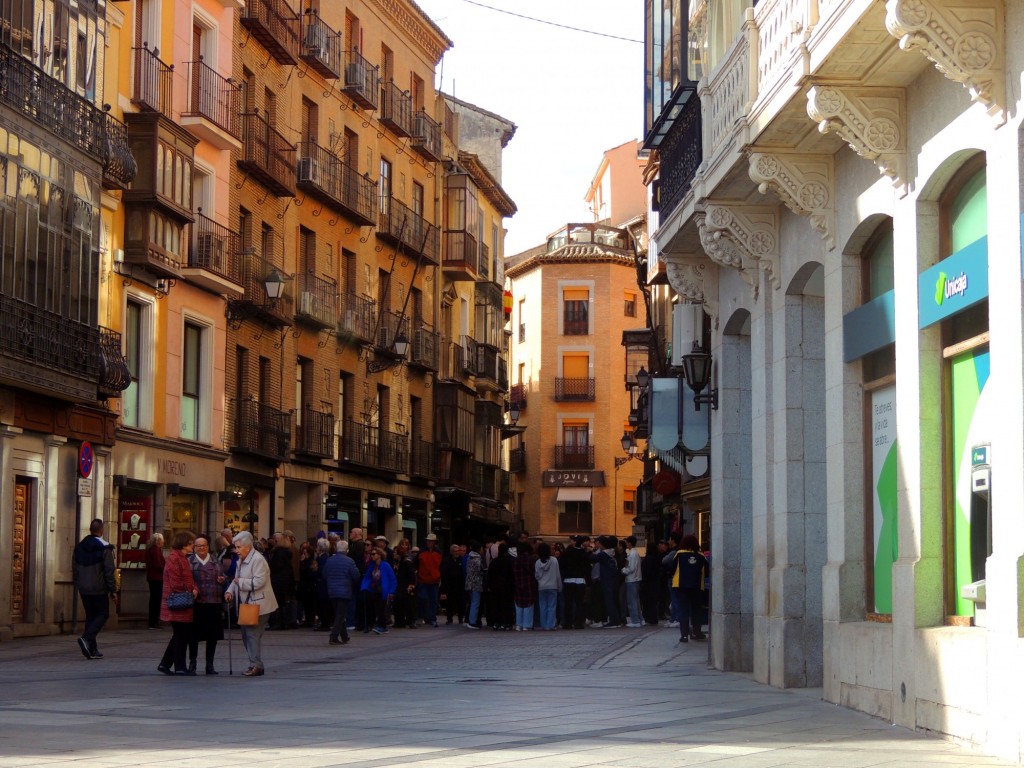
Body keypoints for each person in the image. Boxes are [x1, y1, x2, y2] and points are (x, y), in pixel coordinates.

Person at [225, 530, 279, 676]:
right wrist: (229, 591)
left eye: (238, 547)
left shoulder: (258, 560)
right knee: (246, 635)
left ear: (247, 547)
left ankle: (256, 665)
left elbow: (259, 581)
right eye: (235, 547)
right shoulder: (240, 560)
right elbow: (235, 580)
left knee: (252, 635)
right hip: (247, 604)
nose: (236, 550)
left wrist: (240, 582)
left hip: (259, 604)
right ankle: (254, 663)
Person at [72, 519, 117, 659]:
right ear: (101, 530)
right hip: (99, 588)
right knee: (103, 614)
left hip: (84, 588)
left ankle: (92, 649)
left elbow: (74, 567)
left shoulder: (79, 547)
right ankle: (87, 638)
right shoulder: (105, 548)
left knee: (91, 616)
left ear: (91, 530)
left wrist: (78, 583)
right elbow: (109, 571)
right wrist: (113, 591)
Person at [157, 531, 198, 675]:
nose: (193, 545)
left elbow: (188, 578)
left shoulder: (182, 558)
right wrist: (191, 589)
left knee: (180, 634)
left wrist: (194, 587)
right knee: (181, 635)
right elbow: (176, 582)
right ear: (184, 543)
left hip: (183, 602)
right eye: (191, 543)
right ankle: (179, 667)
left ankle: (165, 664)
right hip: (178, 602)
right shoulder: (174, 558)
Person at [187, 536, 225, 674]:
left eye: (204, 545)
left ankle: (210, 664)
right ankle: (193, 663)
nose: (201, 548)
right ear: (194, 547)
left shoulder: (215, 561)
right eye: (198, 546)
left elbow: (223, 576)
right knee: (194, 636)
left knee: (212, 636)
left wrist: (222, 580)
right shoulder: (190, 561)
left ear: (208, 546)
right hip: (198, 603)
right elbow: (186, 580)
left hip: (214, 601)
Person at [662, 533, 708, 643]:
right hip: (697, 587)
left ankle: (684, 635)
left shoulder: (679, 554)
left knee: (684, 610)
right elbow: (707, 571)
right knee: (696, 610)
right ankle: (697, 632)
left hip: (680, 586)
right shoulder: (701, 556)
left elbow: (672, 568)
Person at [322, 540, 361, 645]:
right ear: (346, 550)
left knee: (339, 613)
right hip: (344, 591)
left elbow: (324, 575)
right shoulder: (350, 561)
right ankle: (333, 636)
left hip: (332, 591)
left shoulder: (329, 560)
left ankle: (344, 636)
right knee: (340, 614)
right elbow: (356, 576)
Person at [360, 547, 396, 634]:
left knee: (382, 609)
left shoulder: (385, 565)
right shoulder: (372, 565)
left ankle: (383, 626)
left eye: (373, 554)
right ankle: (380, 625)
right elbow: (368, 577)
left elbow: (393, 579)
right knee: (377, 609)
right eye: (371, 554)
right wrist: (365, 586)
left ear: (379, 555)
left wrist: (392, 591)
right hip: (375, 589)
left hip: (384, 590)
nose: (371, 556)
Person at [560, 536, 589, 630]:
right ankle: (578, 623)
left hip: (568, 579)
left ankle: (567, 623)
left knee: (568, 602)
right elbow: (587, 565)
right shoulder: (584, 553)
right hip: (580, 580)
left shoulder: (567, 552)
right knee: (579, 602)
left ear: (574, 542)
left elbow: (562, 564)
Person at [591, 536, 621, 628]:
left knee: (609, 601)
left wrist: (589, 551)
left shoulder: (603, 554)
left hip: (607, 580)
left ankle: (613, 621)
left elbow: (593, 559)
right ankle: (617, 620)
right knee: (613, 600)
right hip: (614, 579)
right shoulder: (613, 552)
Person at [267, 532, 295, 630]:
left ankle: (278, 622)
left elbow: (276, 566)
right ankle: (283, 622)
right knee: (282, 602)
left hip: (278, 581)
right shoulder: (287, 553)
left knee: (277, 602)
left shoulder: (279, 553)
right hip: (285, 580)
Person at [486, 541, 515, 630]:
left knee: (496, 605)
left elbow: (489, 575)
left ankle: (496, 622)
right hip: (506, 588)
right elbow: (512, 575)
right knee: (506, 605)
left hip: (495, 587)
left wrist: (489, 586)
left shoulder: (494, 562)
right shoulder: (509, 561)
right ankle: (505, 622)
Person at [416, 533, 442, 627]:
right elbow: (416, 565)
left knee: (433, 600)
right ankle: (422, 616)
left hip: (434, 580)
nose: (429, 542)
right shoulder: (421, 552)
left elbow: (440, 566)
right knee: (422, 598)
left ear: (434, 542)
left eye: (431, 541)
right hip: (423, 580)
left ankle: (432, 618)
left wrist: (439, 577)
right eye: (428, 541)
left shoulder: (438, 552)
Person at [534, 542, 561, 630]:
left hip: (542, 587)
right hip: (553, 586)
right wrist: (559, 586)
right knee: (552, 606)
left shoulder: (538, 562)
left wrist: (540, 581)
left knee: (543, 606)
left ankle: (544, 624)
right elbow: (557, 574)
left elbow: (537, 575)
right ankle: (550, 624)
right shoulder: (554, 560)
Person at [393, 539, 417, 629]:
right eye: (402, 544)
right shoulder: (398, 560)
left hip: (406, 583)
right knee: (398, 603)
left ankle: (411, 621)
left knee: (409, 603)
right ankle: (399, 621)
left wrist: (411, 585)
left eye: (406, 545)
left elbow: (412, 574)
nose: (404, 546)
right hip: (399, 583)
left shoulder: (408, 559)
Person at [512, 540, 537, 630]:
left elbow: (513, 572)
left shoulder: (515, 560)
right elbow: (534, 572)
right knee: (528, 605)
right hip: (528, 584)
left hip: (518, 584)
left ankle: (518, 624)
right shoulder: (530, 559)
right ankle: (526, 625)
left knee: (518, 604)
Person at [441, 544, 465, 624]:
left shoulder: (461, 560)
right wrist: (444, 588)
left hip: (460, 585)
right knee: (449, 603)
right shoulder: (447, 561)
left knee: (460, 602)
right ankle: (449, 618)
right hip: (450, 585)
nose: (457, 553)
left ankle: (460, 618)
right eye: (455, 551)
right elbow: (444, 574)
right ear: (451, 552)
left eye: (458, 551)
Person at [145, 533, 165, 629]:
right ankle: (154, 622)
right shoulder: (155, 550)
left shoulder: (151, 549)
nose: (163, 542)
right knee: (156, 600)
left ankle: (153, 621)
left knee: (154, 599)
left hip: (153, 577)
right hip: (156, 577)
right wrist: (165, 569)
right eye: (162, 540)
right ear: (158, 541)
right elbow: (158, 564)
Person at [622, 536, 643, 628]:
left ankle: (635, 620)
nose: (626, 544)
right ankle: (640, 619)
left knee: (632, 601)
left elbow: (631, 568)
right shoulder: (634, 553)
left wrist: (623, 570)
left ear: (630, 543)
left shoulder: (632, 554)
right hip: (635, 579)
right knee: (636, 600)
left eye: (626, 542)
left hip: (631, 579)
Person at [464, 541, 485, 629]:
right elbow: (481, 571)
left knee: (472, 602)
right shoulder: (478, 559)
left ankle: (470, 620)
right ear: (479, 549)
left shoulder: (469, 558)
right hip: (476, 583)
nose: (482, 550)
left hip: (469, 582)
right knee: (475, 603)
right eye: (481, 548)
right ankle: (472, 621)